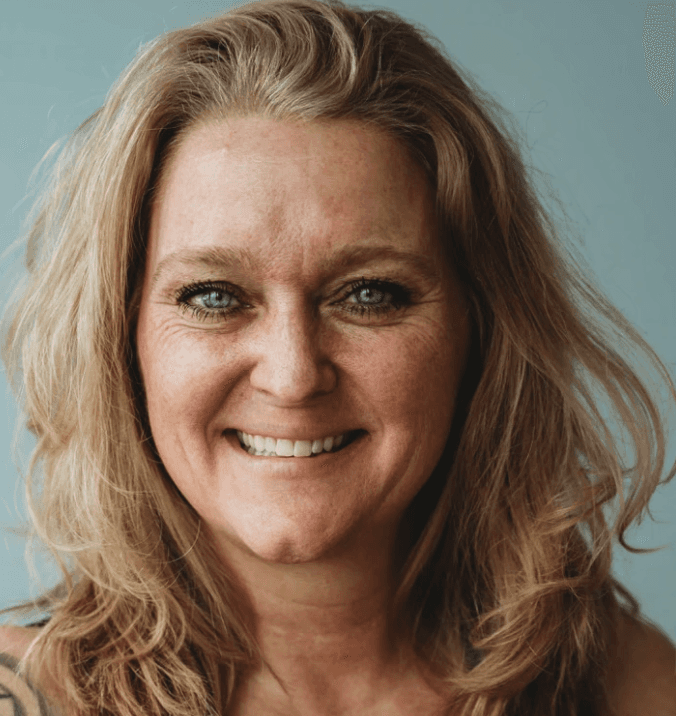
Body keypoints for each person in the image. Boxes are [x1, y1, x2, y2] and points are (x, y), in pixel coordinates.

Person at [0, 0, 675, 714]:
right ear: (121, 337)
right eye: (214, 297)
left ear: (479, 330)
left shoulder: (631, 690)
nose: (293, 376)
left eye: (369, 294)